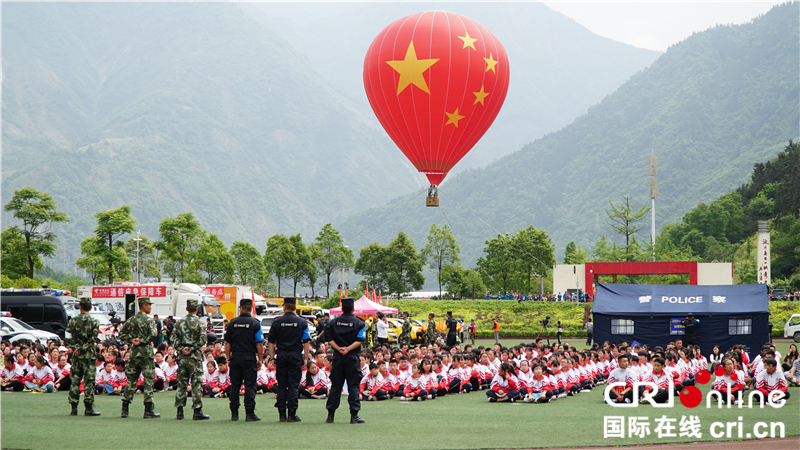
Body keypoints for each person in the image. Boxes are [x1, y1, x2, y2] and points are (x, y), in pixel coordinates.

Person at [267, 297, 311, 423]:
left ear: (284, 307)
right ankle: (292, 414)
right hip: (295, 355)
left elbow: (270, 341)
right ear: (295, 308)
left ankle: (281, 414)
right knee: (293, 385)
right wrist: (306, 358)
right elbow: (306, 342)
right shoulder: (302, 322)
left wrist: (272, 356)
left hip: (281, 355)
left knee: (281, 384)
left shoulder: (277, 322)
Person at [324, 297, 366, 424]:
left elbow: (328, 338)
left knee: (336, 385)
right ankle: (354, 416)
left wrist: (339, 349)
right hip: (352, 357)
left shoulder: (333, 322)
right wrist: (347, 349)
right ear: (353, 308)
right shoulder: (359, 323)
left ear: (341, 308)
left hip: (337, 357)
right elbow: (360, 340)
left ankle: (330, 415)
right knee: (353, 386)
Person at [225, 298, 265, 422]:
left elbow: (227, 343)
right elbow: (259, 343)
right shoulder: (255, 323)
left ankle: (234, 414)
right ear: (251, 308)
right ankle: (249, 413)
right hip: (249, 357)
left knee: (235, 385)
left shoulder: (232, 323)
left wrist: (228, 358)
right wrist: (260, 358)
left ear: (240, 308)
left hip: (235, 357)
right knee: (250, 385)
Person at [118, 297, 159, 419]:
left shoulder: (131, 320)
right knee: (148, 381)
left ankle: (125, 409)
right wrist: (142, 340)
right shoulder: (149, 320)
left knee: (131, 381)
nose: (150, 307)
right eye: (149, 305)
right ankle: (148, 409)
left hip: (134, 353)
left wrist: (132, 340)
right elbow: (154, 334)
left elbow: (121, 334)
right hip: (146, 353)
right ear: (144, 305)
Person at [172, 298, 209, 421]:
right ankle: (197, 411)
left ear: (186, 308)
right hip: (195, 358)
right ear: (197, 309)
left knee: (181, 384)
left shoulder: (179, 323)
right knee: (196, 384)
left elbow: (173, 338)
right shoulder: (200, 324)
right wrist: (192, 348)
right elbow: (203, 340)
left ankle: (180, 411)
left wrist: (182, 348)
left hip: (182, 358)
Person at [65, 296, 101, 416]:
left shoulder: (72, 321)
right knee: (89, 381)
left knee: (75, 380)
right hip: (89, 356)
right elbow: (93, 340)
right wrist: (83, 349)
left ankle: (74, 407)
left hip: (76, 356)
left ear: (80, 307)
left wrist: (76, 349)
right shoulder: (95, 322)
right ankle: (88, 408)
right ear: (90, 307)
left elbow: (67, 338)